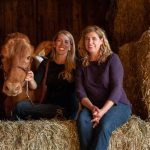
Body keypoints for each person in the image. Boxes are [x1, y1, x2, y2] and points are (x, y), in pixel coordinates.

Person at [76, 25, 132, 150]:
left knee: (104, 125)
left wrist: (102, 112)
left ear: (102, 41)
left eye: (94, 39)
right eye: (87, 39)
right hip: (93, 105)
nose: (90, 42)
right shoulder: (81, 63)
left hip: (118, 105)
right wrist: (92, 108)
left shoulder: (112, 59)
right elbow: (80, 91)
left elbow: (117, 88)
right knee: (82, 122)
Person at [12, 30, 78, 120]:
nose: (62, 44)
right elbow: (34, 86)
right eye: (59, 41)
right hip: (47, 106)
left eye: (66, 42)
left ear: (70, 46)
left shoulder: (76, 65)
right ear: (54, 44)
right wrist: (31, 79)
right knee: (19, 105)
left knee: (20, 108)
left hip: (63, 110)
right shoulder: (46, 64)